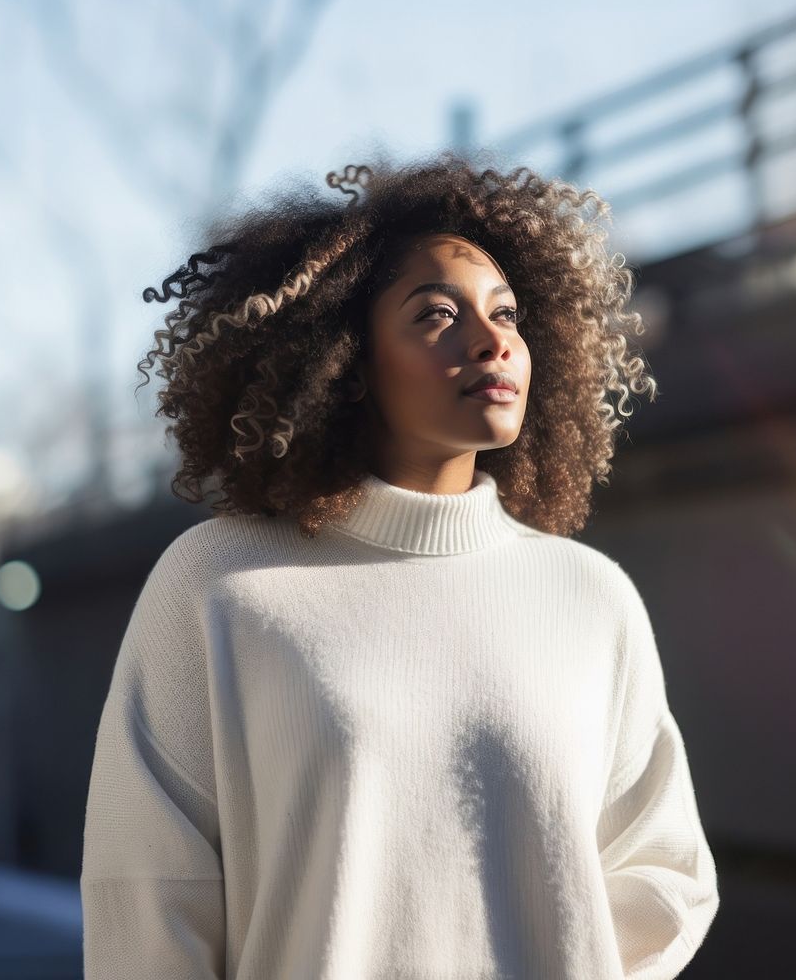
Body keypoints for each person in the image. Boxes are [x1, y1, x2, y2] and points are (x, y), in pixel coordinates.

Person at [79, 152, 720, 979]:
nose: (492, 342)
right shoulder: (220, 585)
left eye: (508, 314)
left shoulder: (590, 597)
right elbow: (146, 897)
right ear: (343, 361)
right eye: (437, 316)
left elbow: (664, 873)